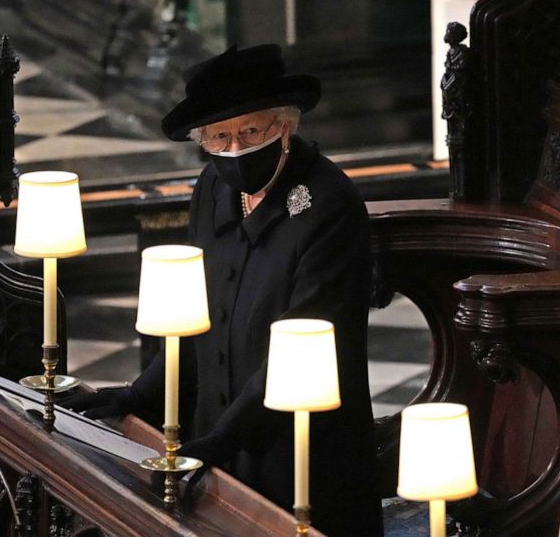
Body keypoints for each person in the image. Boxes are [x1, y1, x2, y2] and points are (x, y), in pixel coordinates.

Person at [63, 44, 384, 536]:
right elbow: (197, 320)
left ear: (284, 125)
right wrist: (136, 395)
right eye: (219, 137)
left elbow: (304, 350)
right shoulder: (212, 187)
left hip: (298, 454)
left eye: (249, 131)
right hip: (215, 442)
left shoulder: (329, 207)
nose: (234, 149)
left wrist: (221, 440)